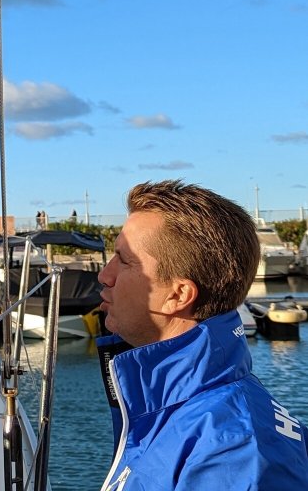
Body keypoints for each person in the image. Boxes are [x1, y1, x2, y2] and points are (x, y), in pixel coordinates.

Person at [97, 180, 308, 489]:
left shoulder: (231, 453)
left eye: (125, 260)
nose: (105, 274)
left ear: (178, 295)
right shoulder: (190, 411)